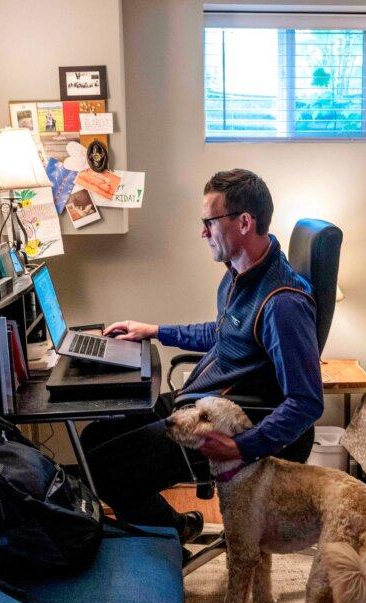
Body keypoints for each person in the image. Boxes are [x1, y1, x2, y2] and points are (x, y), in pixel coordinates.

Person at [80, 168, 324, 553]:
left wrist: (242, 448)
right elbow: (223, 333)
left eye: (209, 221)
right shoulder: (237, 275)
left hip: (227, 428)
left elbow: (307, 403)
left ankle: (168, 544)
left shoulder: (283, 304)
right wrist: (155, 330)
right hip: (195, 404)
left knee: (106, 468)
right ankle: (177, 526)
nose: (203, 232)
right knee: (94, 438)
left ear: (245, 222)